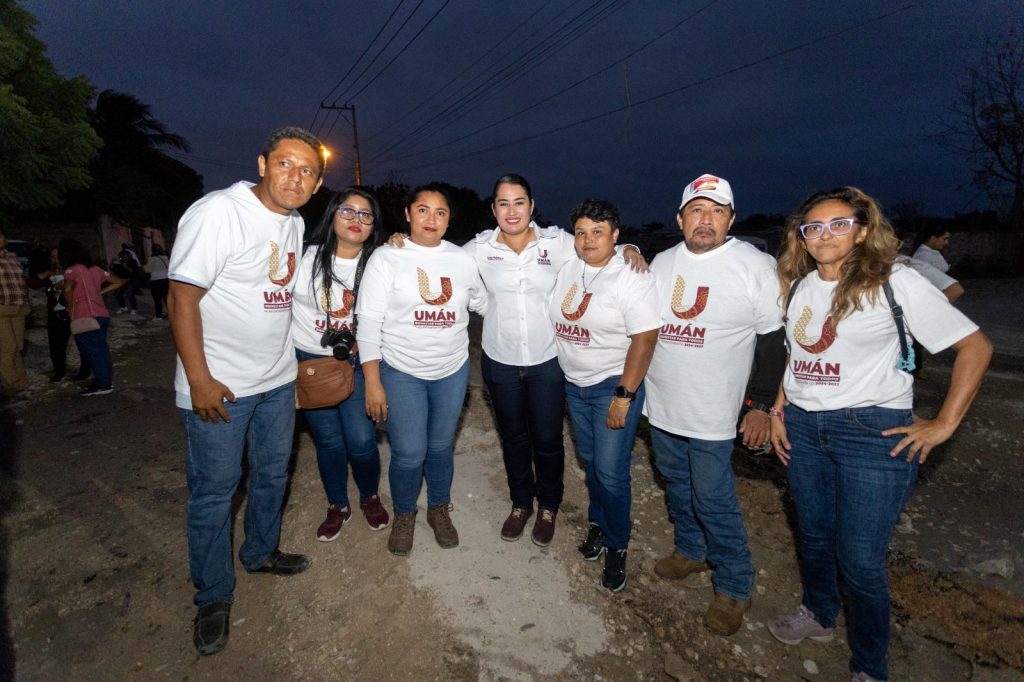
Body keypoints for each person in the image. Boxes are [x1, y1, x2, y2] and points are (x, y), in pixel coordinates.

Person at [767, 187, 991, 682]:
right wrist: (779, 409)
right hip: (804, 429)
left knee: (861, 559)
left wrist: (944, 424)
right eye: (813, 228)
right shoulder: (802, 287)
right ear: (801, 238)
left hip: (870, 433)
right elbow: (795, 358)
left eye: (839, 224)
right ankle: (819, 613)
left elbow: (975, 348)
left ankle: (869, 666)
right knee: (814, 536)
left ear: (863, 230)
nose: (824, 235)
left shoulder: (895, 281)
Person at [167, 127, 324, 656]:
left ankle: (259, 552)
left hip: (277, 382)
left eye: (307, 171)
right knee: (215, 492)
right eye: (285, 164)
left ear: (316, 184)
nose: (295, 177)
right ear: (262, 164)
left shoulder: (295, 223)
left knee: (273, 474)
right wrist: (199, 379)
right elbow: (181, 298)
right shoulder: (219, 213)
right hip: (221, 388)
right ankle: (213, 594)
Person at [464, 174, 647, 547]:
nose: (512, 211)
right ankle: (521, 503)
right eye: (503, 203)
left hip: (547, 360)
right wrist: (400, 242)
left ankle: (548, 506)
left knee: (548, 439)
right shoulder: (478, 249)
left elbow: (597, 249)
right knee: (513, 438)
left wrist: (629, 246)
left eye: (519, 202)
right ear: (493, 209)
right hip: (500, 360)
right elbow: (443, 264)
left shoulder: (557, 242)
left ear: (531, 206)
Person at [645, 174, 786, 635]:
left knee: (713, 496)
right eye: (696, 210)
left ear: (731, 218)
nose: (705, 220)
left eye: (716, 211)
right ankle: (691, 550)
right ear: (680, 218)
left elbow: (773, 343)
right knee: (676, 482)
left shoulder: (755, 266)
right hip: (663, 404)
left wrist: (761, 405)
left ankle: (734, 585)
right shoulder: (662, 262)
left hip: (714, 412)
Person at [356, 183, 486, 556]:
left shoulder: (462, 259)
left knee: (441, 447)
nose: (432, 219)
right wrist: (372, 381)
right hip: (402, 371)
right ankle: (405, 513)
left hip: (451, 371)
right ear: (408, 214)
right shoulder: (387, 257)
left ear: (449, 220)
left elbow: (483, 302)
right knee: (410, 452)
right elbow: (368, 322)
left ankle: (439, 509)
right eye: (423, 210)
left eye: (440, 212)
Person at [548, 199, 660, 592]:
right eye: (581, 232)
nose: (588, 240)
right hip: (574, 384)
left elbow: (645, 339)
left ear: (615, 235)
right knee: (592, 462)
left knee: (611, 471)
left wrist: (624, 395)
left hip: (612, 385)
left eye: (598, 232)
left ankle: (617, 543)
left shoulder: (631, 275)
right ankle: (599, 522)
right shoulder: (569, 265)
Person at [292, 187, 390, 541]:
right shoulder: (304, 257)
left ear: (373, 224)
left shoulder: (381, 262)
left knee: (362, 441)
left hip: (357, 362)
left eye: (365, 214)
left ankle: (369, 496)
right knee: (328, 442)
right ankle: (337, 504)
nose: (355, 220)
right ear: (332, 214)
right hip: (310, 363)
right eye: (347, 211)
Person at [59, 239, 125, 397]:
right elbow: (118, 281)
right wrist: (99, 293)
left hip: (85, 315)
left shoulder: (71, 270)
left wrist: (70, 308)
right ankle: (104, 381)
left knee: (92, 351)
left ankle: (102, 384)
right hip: (101, 314)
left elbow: (67, 290)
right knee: (101, 350)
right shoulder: (95, 269)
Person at [27, 246, 91, 383]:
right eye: (52, 256)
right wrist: (48, 273)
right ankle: (59, 372)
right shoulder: (50, 273)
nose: (55, 259)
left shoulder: (76, 270)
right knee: (56, 346)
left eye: (57, 256)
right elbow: (32, 283)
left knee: (84, 343)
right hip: (56, 314)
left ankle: (85, 371)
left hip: (77, 312)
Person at [0, 230, 30, 398]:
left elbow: (21, 281)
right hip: (1, 309)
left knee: (18, 346)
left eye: (2, 236)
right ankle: (10, 383)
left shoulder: (12, 257)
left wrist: (27, 301)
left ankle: (21, 382)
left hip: (19, 307)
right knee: (8, 346)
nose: (2, 239)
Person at [144, 243, 170, 318]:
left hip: (155, 280)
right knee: (166, 298)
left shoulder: (152, 259)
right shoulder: (165, 257)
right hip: (165, 279)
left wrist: (144, 266)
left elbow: (147, 270)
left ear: (153, 250)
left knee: (157, 299)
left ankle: (158, 316)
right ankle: (171, 314)